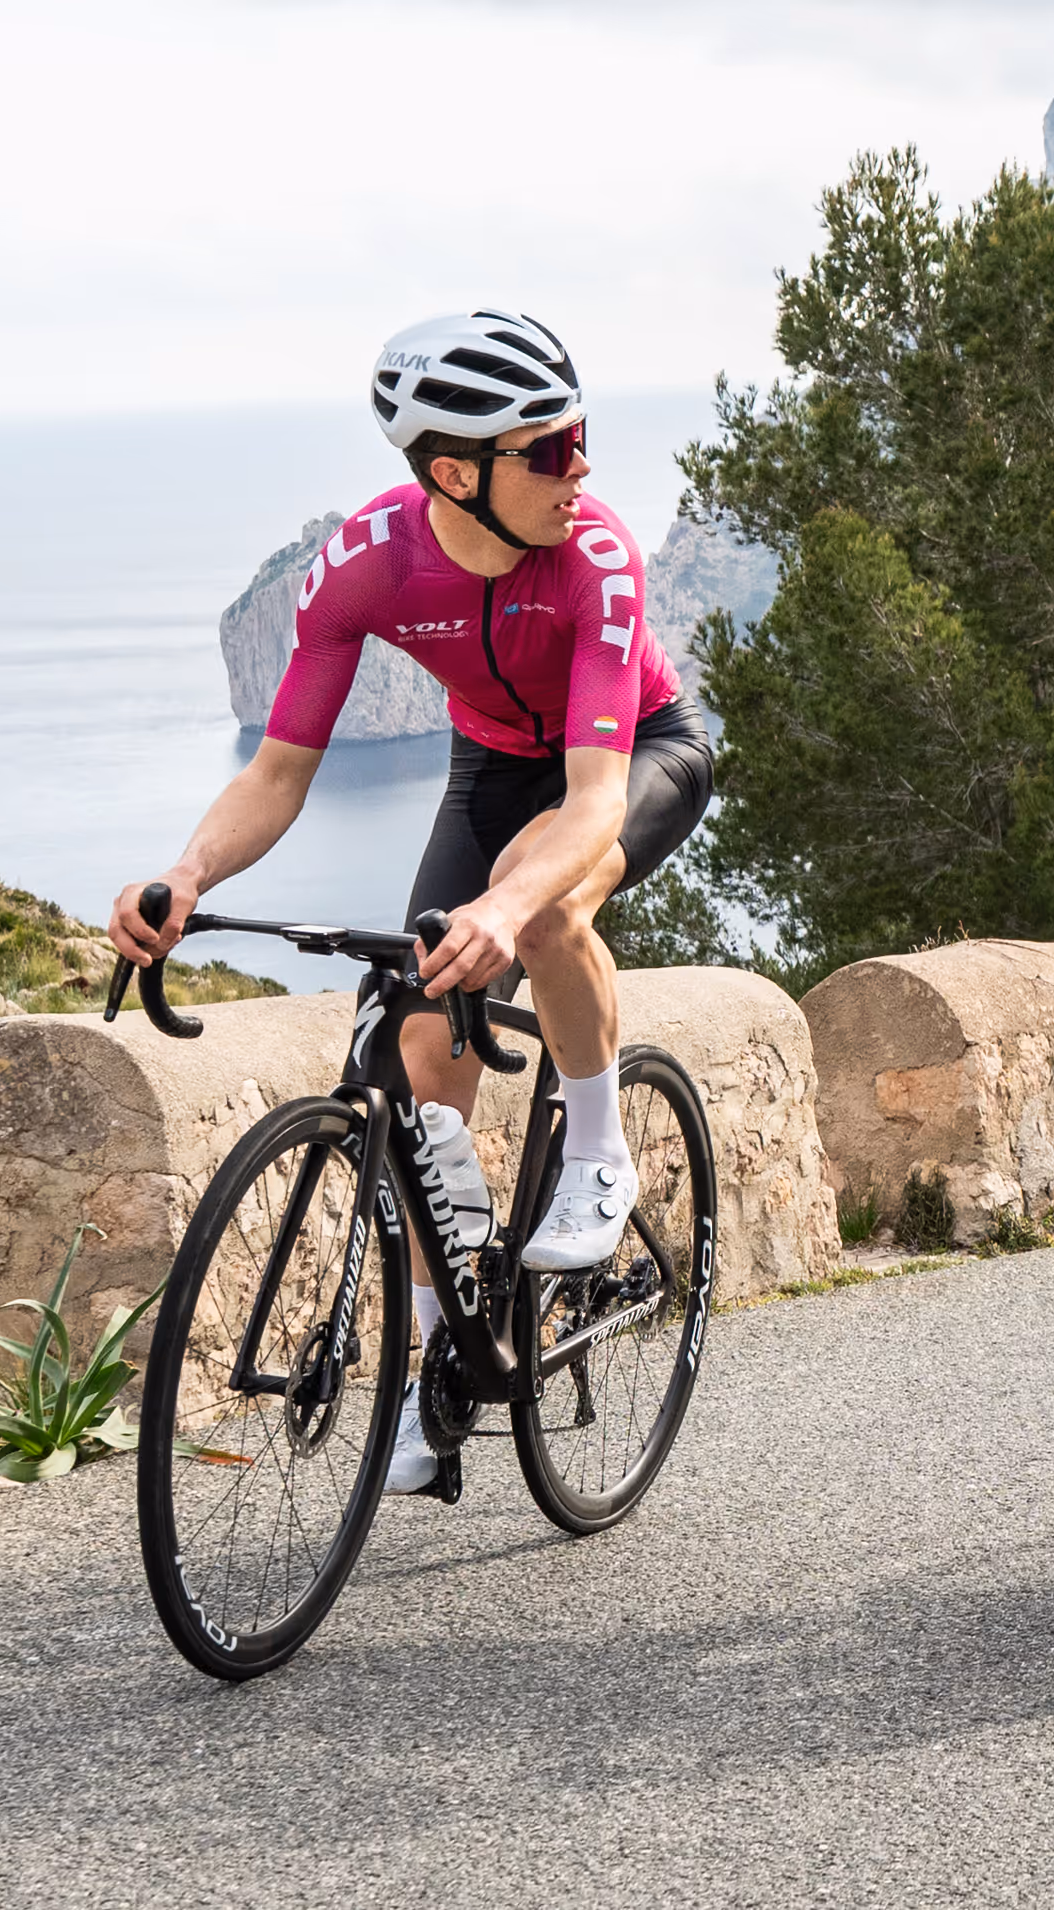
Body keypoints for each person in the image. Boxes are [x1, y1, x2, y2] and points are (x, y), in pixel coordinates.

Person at [106, 309, 716, 1501]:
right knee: (416, 1067)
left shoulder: (595, 552)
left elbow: (592, 804)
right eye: (550, 447)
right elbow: (278, 775)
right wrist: (186, 876)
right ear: (455, 471)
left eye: (579, 434)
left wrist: (504, 905)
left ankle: (597, 1150)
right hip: (490, 769)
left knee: (540, 913)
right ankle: (441, 1358)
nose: (580, 464)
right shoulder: (368, 564)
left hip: (634, 753)